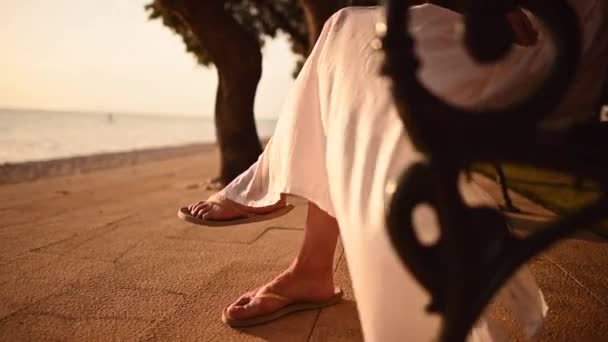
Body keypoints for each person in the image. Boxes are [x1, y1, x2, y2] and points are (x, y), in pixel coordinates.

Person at [179, 1, 607, 340]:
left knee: (364, 48)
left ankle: (304, 252)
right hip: (497, 27)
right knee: (346, 30)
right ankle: (310, 268)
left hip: (548, 41)